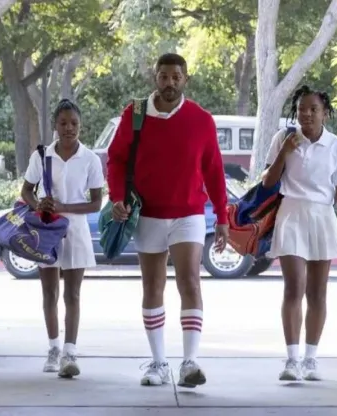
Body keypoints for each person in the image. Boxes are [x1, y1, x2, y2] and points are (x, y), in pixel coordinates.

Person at [106, 53, 229, 388]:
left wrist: (221, 215)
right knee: (153, 286)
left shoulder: (201, 119)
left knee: (190, 282)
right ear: (155, 77)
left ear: (185, 79)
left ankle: (190, 363)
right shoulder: (135, 114)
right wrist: (117, 197)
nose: (170, 83)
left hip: (188, 213)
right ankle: (159, 363)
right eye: (164, 76)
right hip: (147, 214)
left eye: (176, 76)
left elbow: (214, 170)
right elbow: (115, 160)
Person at [261, 85, 337, 382]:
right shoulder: (283, 139)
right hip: (291, 214)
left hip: (322, 216)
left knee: (317, 292)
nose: (306, 114)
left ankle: (311, 359)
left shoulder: (336, 146)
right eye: (302, 109)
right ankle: (292, 360)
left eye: (313, 109)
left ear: (325, 113)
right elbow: (267, 182)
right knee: (294, 287)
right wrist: (286, 150)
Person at [20, 99, 104, 378]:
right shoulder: (42, 156)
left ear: (81, 125)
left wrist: (63, 207)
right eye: (63, 123)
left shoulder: (90, 159)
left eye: (74, 123)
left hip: (76, 232)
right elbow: (26, 191)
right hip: (47, 231)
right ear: (55, 125)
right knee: (49, 292)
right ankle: (54, 349)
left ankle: (70, 352)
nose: (69, 128)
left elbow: (95, 203)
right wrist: (38, 205)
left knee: (73, 293)